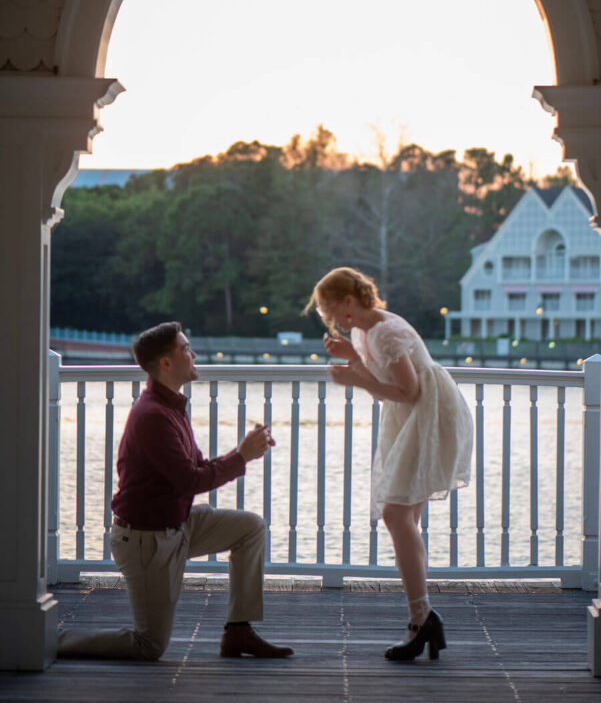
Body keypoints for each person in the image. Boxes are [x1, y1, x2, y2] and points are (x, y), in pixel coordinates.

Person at [58, 321, 293, 661]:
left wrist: (240, 455)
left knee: (250, 527)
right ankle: (53, 640)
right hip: (146, 541)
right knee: (149, 645)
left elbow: (195, 469)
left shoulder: (172, 407)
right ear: (166, 363)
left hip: (177, 524)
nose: (193, 354)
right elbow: (190, 482)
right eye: (185, 349)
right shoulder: (153, 415)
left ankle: (238, 632)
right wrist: (241, 455)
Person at [306, 267, 473, 662]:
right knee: (401, 516)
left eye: (331, 310)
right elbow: (388, 389)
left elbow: (408, 391)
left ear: (350, 302)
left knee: (396, 515)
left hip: (430, 415)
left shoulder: (384, 330)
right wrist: (352, 357)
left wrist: (354, 380)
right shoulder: (364, 333)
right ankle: (422, 618)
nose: (330, 319)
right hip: (415, 416)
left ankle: (422, 617)